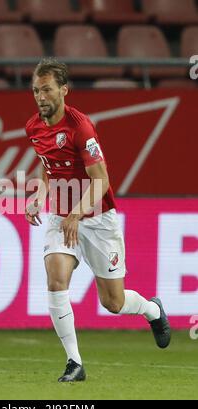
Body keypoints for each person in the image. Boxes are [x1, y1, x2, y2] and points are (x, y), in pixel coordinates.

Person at [25, 58, 171, 383]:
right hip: (62, 219)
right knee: (56, 279)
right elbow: (46, 164)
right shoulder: (34, 127)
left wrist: (78, 213)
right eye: (36, 90)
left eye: (46, 89)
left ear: (63, 90)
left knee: (113, 302)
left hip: (97, 220)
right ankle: (74, 363)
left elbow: (101, 180)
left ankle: (152, 310)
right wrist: (38, 195)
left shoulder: (81, 127)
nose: (40, 96)